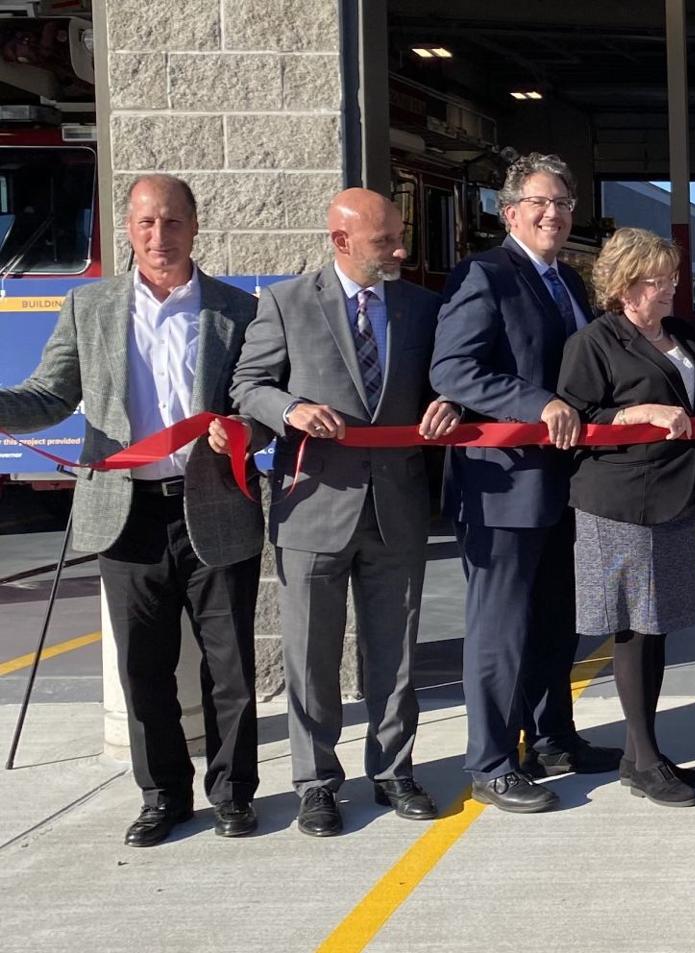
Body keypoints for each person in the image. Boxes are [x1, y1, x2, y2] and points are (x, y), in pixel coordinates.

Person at [0, 175, 265, 846]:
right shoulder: (89, 305)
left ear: (195, 227)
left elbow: (259, 400)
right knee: (143, 669)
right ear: (127, 228)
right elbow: (48, 394)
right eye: (146, 222)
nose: (159, 235)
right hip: (126, 513)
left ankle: (233, 793)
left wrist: (246, 430)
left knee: (230, 666)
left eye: (172, 221)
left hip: (215, 505)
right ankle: (163, 795)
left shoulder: (237, 310)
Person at [229, 188, 459, 835]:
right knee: (310, 657)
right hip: (312, 506)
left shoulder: (422, 307)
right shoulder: (286, 303)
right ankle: (316, 783)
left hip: (397, 506)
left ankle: (393, 771)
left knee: (397, 654)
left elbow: (448, 380)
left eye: (400, 235)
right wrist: (291, 410)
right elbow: (248, 386)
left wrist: (451, 404)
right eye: (386, 240)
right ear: (341, 240)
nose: (401, 250)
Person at [431, 153, 622, 814]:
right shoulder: (483, 274)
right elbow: (455, 370)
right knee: (501, 630)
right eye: (539, 203)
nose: (553, 214)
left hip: (566, 484)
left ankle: (551, 738)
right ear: (509, 212)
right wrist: (537, 403)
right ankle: (491, 761)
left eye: (563, 203)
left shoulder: (569, 280)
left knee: (555, 622)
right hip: (503, 487)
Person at [554, 227, 695, 808]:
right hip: (623, 504)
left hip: (679, 497)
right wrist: (636, 413)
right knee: (631, 628)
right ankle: (645, 760)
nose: (669, 289)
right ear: (624, 286)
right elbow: (575, 417)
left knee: (657, 627)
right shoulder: (593, 342)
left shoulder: (683, 333)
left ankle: (640, 754)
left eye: (672, 278)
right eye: (657, 281)